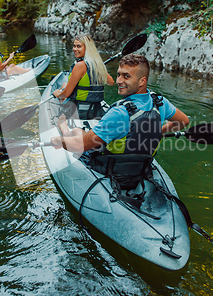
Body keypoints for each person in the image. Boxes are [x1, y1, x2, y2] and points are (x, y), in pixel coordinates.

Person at [51, 54, 189, 187]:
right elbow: (183, 121)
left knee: (75, 131)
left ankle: (63, 128)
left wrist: (58, 140)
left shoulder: (119, 113)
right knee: (80, 131)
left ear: (142, 81)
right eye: (118, 75)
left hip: (113, 168)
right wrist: (158, 132)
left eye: (126, 76)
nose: (118, 81)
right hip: (140, 167)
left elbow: (81, 145)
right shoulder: (160, 102)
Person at [53, 34, 114, 119]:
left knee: (62, 95)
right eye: (74, 46)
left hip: (79, 111)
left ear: (87, 48)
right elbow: (111, 82)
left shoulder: (80, 65)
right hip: (96, 110)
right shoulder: (97, 64)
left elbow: (66, 94)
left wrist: (58, 94)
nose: (75, 49)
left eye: (79, 46)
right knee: (65, 84)